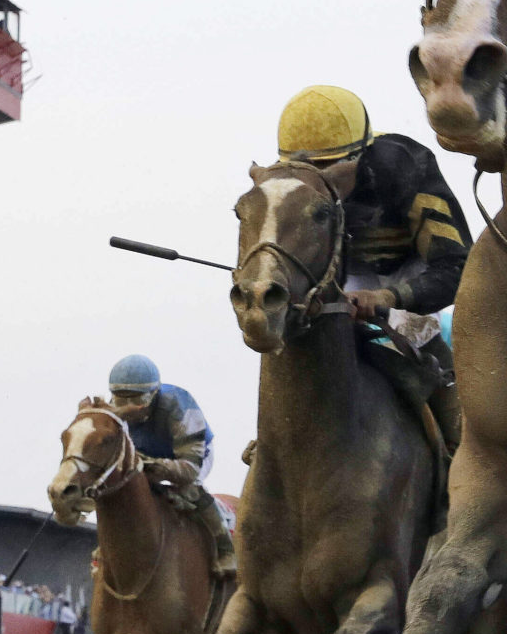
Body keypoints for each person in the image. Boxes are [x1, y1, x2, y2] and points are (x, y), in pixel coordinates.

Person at [272, 84, 469, 448]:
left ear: (360, 156)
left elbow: (458, 268)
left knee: (413, 334)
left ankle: (458, 441)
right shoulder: (288, 190)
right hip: (343, 275)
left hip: (408, 270)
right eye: (304, 170)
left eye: (330, 169)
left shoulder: (406, 165)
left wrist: (387, 296)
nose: (319, 182)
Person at [103, 354, 234, 581]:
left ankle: (225, 548)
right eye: (121, 400)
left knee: (189, 487)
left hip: (190, 454)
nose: (129, 408)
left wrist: (150, 465)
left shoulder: (179, 405)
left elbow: (189, 469)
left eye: (137, 399)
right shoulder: (114, 410)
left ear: (154, 394)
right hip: (147, 454)